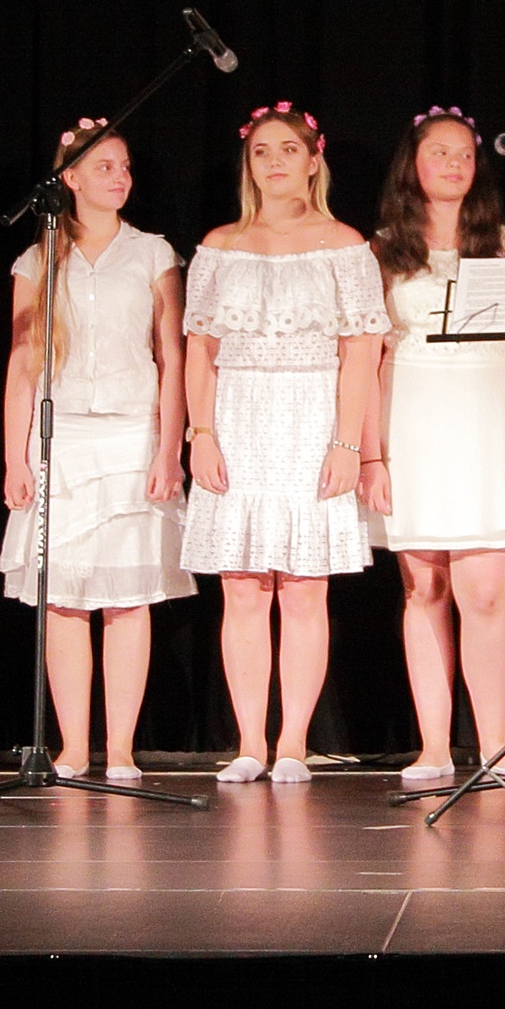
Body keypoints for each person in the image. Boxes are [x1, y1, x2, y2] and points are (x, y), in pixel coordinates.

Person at [180, 104, 388, 785]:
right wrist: (201, 433)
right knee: (242, 588)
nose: (275, 162)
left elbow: (361, 353)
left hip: (310, 419)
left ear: (313, 159)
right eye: (262, 151)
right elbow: (200, 349)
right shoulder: (220, 245)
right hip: (238, 418)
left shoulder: (345, 245)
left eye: (288, 150)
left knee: (303, 589)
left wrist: (348, 443)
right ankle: (249, 741)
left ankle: (294, 741)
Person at [0, 119, 191, 785]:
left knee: (129, 596)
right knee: (64, 599)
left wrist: (170, 449)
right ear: (70, 178)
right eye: (104, 166)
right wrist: (14, 456)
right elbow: (22, 363)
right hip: (64, 439)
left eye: (125, 166)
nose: (119, 177)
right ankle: (74, 747)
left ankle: (121, 749)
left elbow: (172, 356)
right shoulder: (38, 259)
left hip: (132, 433)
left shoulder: (152, 253)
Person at [362, 108, 505, 785]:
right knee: (425, 587)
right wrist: (373, 454)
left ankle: (495, 744)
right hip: (411, 419)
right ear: (413, 164)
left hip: (485, 419)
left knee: (485, 591)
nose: (455, 164)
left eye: (465, 154)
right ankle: (435, 747)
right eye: (440, 152)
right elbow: (371, 360)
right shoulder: (383, 250)